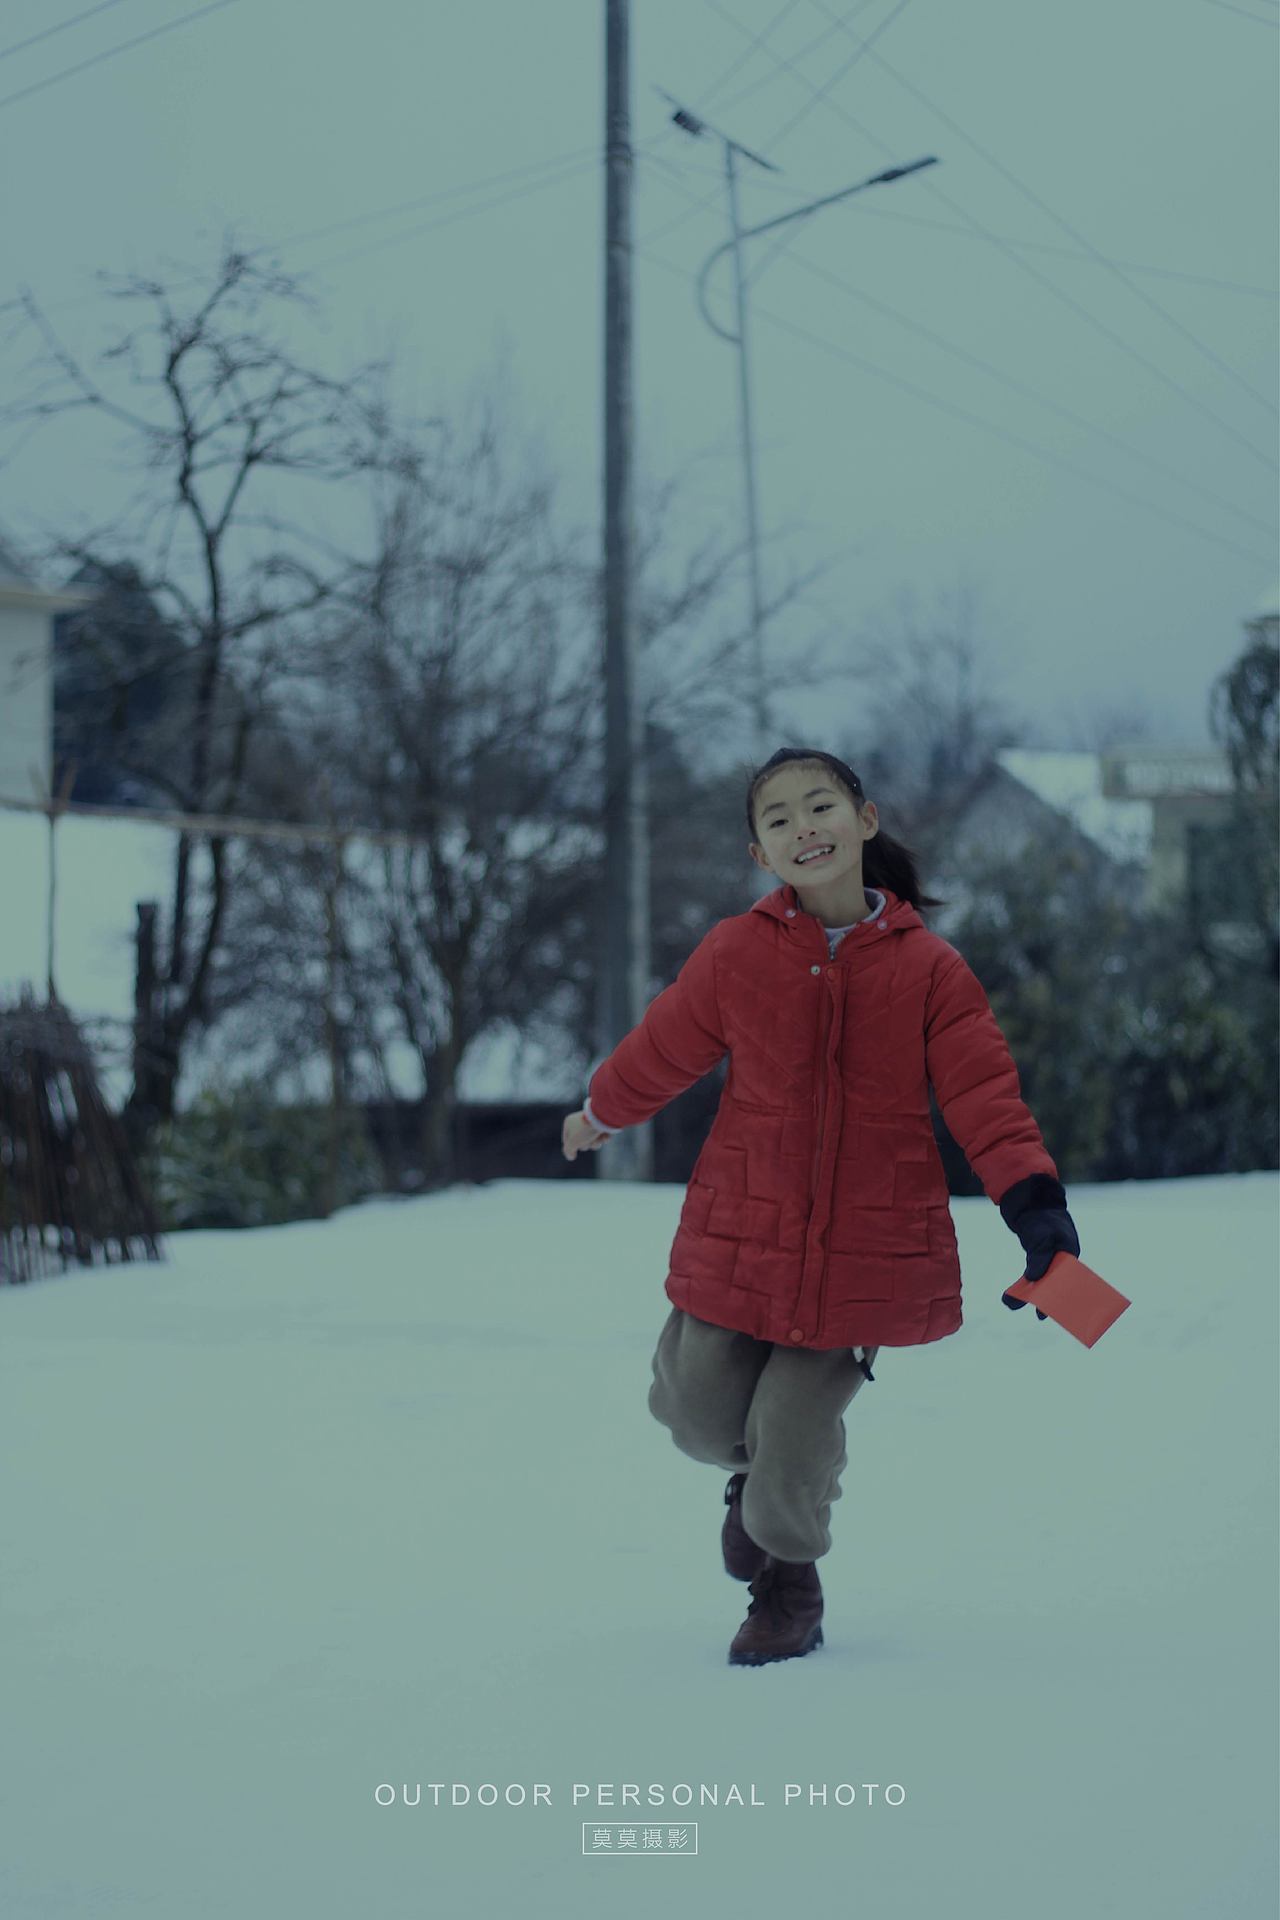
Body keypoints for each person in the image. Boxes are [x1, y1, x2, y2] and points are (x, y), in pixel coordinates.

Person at [561, 746, 1080, 1668]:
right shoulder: (736, 955)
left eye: (821, 807)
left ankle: (787, 1583)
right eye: (779, 818)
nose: (805, 828)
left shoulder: (930, 972)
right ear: (759, 853)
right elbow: (664, 1046)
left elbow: (987, 1103)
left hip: (863, 1253)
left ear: (865, 820)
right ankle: (750, 1493)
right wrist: (602, 1109)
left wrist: (1037, 1211)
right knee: (691, 1411)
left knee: (793, 1450)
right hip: (741, 1232)